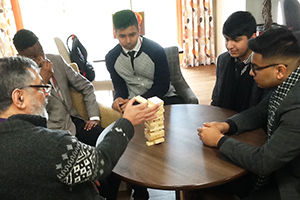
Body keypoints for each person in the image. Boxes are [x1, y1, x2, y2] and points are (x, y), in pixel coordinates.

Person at [0, 56, 160, 199]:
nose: (46, 93)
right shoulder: (53, 145)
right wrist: (127, 121)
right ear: (19, 97)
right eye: (40, 88)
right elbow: (100, 162)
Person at [198, 27, 300, 199]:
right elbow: (260, 111)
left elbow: (263, 161)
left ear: (280, 70)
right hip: (276, 165)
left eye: (256, 68)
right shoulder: (289, 80)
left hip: (289, 181)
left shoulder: (296, 109)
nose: (252, 72)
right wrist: (226, 125)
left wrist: (219, 140)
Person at [13, 29, 102, 146]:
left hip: (75, 123)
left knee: (108, 140)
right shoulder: (17, 79)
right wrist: (43, 81)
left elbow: (86, 86)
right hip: (53, 135)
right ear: (20, 57)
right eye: (33, 58)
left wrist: (94, 117)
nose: (41, 59)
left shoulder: (56, 60)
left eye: (41, 51)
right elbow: (30, 113)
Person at [106, 9, 184, 114]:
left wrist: (137, 102)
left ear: (139, 30)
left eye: (132, 34)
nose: (128, 40)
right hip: (133, 104)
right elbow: (119, 84)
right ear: (115, 34)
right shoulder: (111, 58)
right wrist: (119, 98)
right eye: (122, 36)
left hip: (162, 99)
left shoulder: (156, 51)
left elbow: (162, 85)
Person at [211, 11, 265, 112]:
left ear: (253, 38)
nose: (229, 46)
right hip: (222, 120)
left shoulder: (263, 65)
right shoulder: (223, 60)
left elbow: (260, 109)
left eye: (236, 40)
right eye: (227, 39)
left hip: (250, 123)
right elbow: (216, 97)